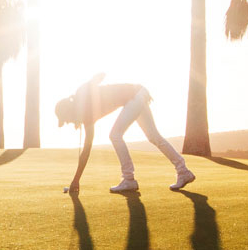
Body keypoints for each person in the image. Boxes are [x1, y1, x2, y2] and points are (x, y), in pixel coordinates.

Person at [56, 74, 196, 193]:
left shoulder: (81, 94)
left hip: (134, 95)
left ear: (69, 109)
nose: (67, 122)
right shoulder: (87, 119)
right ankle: (183, 172)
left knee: (115, 135)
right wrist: (76, 180)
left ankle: (128, 179)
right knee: (154, 136)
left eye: (65, 119)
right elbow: (86, 150)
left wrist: (90, 87)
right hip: (138, 94)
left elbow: (101, 75)